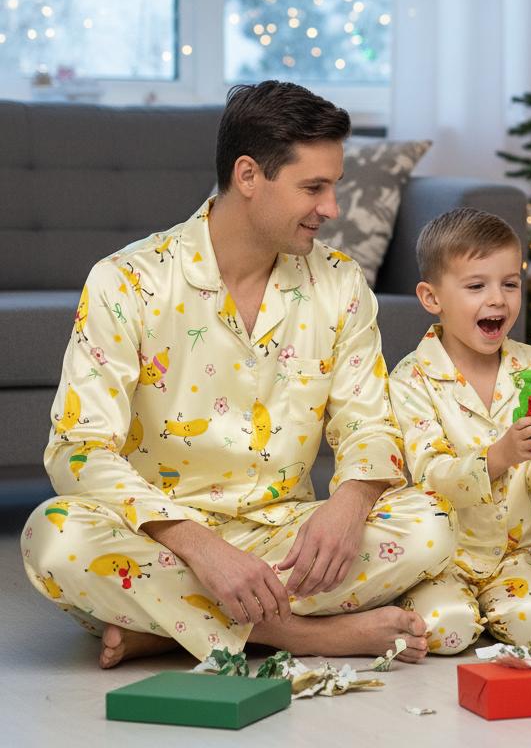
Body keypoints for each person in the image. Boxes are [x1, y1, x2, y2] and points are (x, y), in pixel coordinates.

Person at [21, 81, 454, 668]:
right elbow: (78, 448)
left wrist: (347, 505)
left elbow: (369, 427)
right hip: (161, 539)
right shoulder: (126, 281)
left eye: (334, 186)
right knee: (55, 538)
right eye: (314, 187)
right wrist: (199, 546)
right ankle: (300, 636)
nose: (331, 209)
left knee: (431, 525)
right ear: (249, 176)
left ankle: (170, 628)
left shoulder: (341, 283)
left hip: (283, 536)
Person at [390, 208, 531, 653]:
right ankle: (452, 607)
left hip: (515, 553)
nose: (498, 299)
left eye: (510, 283)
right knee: (446, 631)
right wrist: (500, 456)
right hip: (442, 558)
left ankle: (497, 613)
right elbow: (428, 475)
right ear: (431, 297)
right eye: (476, 286)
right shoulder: (410, 380)